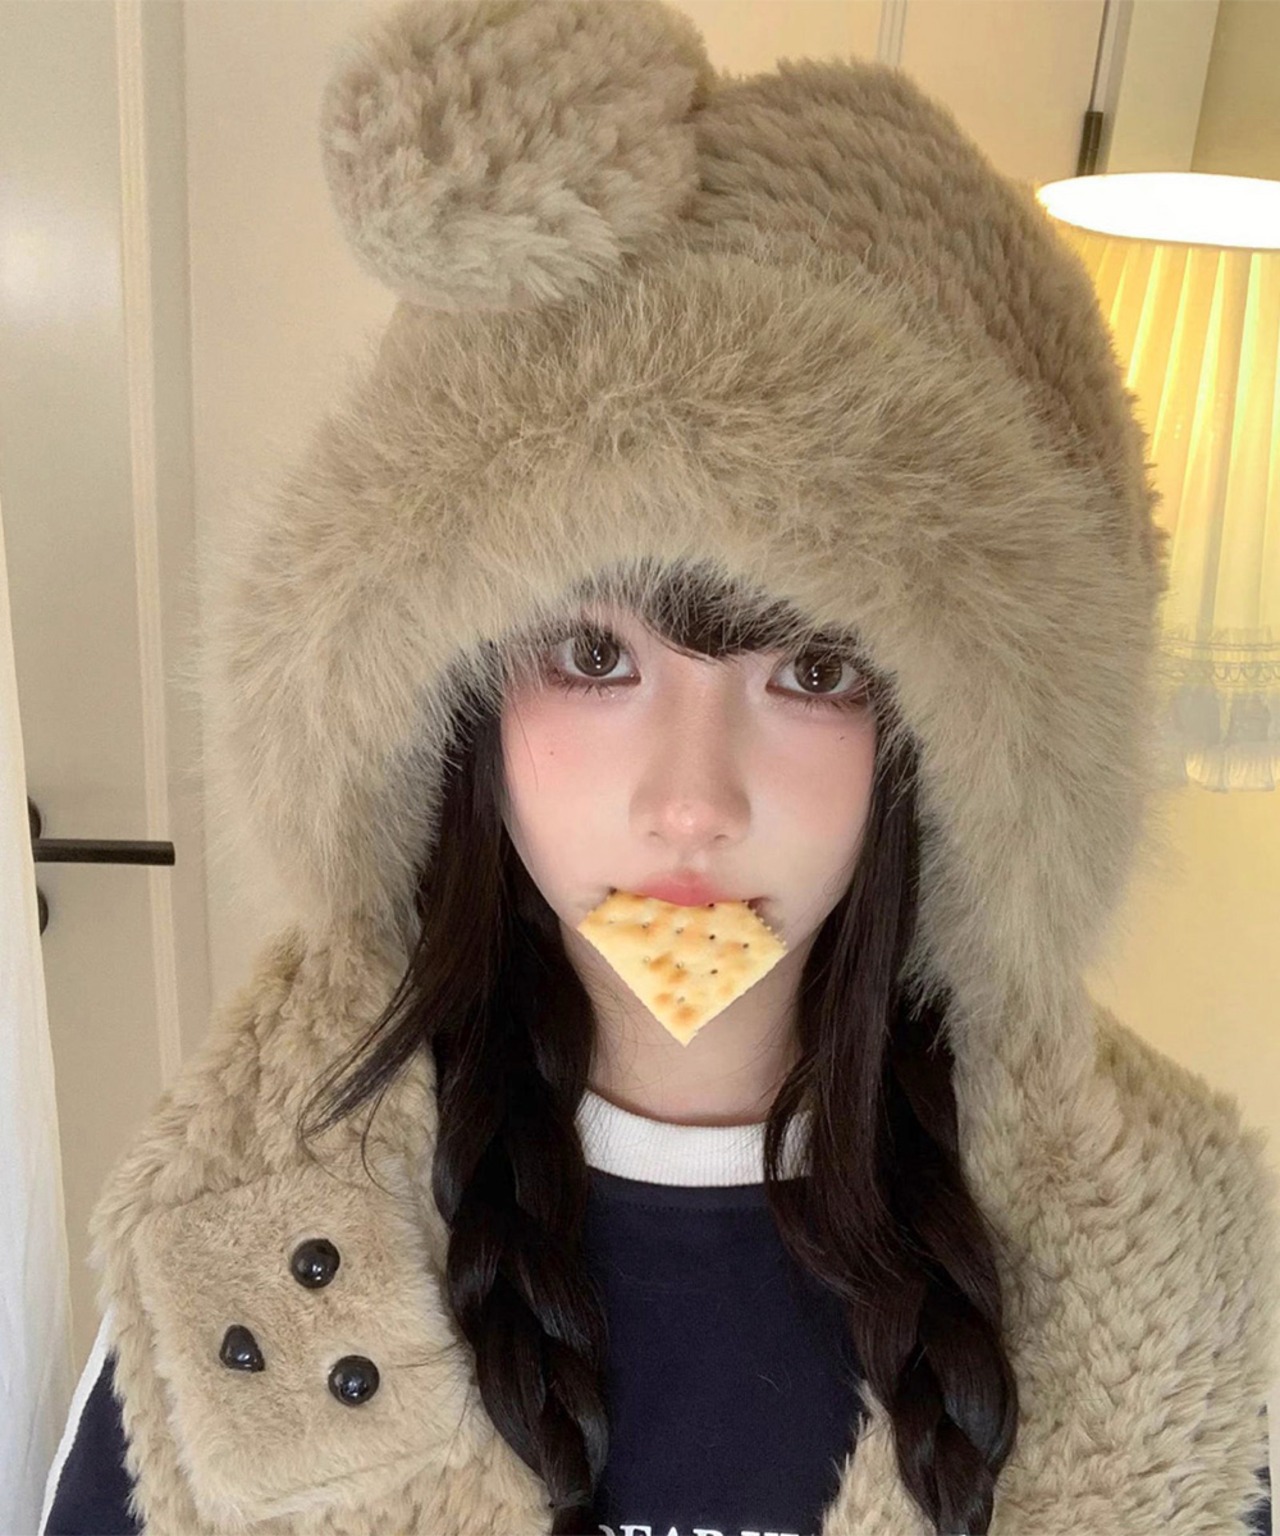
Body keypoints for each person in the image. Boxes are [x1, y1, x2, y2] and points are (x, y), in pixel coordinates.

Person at [42, 1, 1279, 1533]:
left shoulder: (1171, 1292)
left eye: (812, 673)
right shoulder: (239, 1242)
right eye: (594, 657)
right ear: (450, 700)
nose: (692, 802)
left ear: (951, 743)